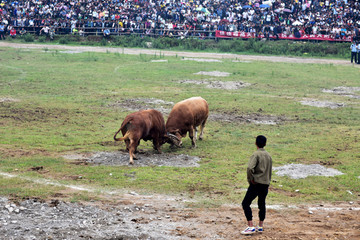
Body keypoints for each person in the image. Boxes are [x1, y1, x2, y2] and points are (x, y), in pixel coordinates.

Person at [241, 135, 272, 235]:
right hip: (265, 184)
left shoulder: (256, 154)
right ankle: (260, 226)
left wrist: (251, 179)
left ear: (256, 143)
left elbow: (250, 168)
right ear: (265, 144)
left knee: (245, 203)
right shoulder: (268, 155)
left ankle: (250, 226)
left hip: (256, 183)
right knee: (262, 204)